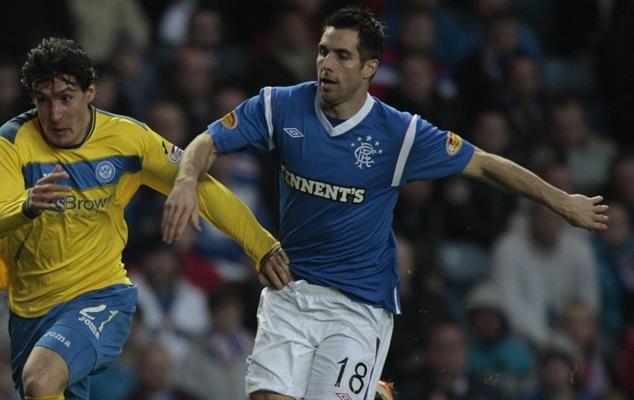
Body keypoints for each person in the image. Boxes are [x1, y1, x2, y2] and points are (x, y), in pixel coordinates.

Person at [161, 5, 609, 400]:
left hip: (357, 304)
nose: (327, 65)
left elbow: (486, 165)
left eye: (342, 56)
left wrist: (561, 201)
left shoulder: (401, 134)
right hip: (290, 290)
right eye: (323, 51)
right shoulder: (279, 107)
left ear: (369, 67)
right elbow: (208, 140)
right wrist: (185, 181)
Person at [0, 37, 290, 400]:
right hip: (29, 310)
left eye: (65, 98)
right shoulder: (10, 142)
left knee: (40, 380)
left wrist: (264, 246)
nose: (54, 115)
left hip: (99, 297)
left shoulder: (127, 138)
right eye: (43, 100)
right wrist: (25, 205)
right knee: (41, 387)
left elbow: (201, 186)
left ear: (91, 92)